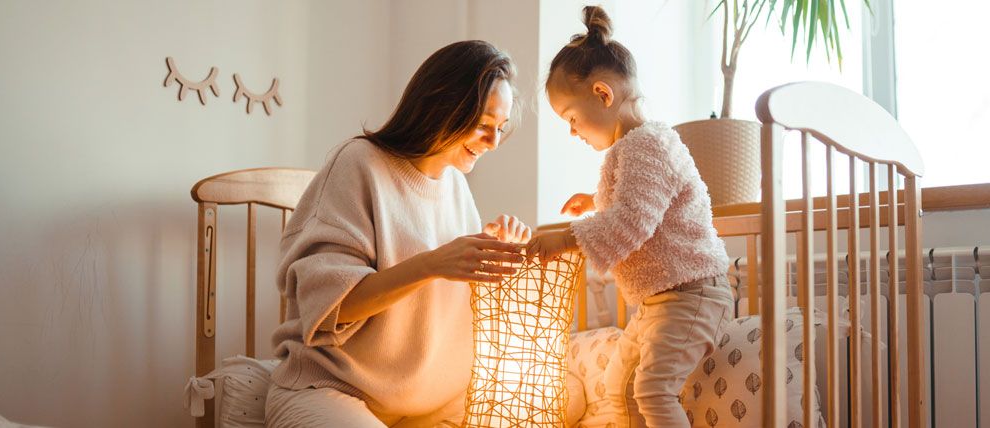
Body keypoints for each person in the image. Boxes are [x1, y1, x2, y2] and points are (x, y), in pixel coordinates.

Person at [266, 40, 531, 428]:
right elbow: (329, 307)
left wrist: (493, 247)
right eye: (483, 125)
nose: (493, 143)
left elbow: (453, 306)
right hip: (334, 389)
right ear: (444, 107)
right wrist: (432, 263)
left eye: (500, 129)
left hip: (431, 405)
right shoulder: (360, 164)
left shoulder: (456, 185)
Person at [524, 7, 734, 428]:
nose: (572, 131)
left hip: (691, 293)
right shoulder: (634, 148)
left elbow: (634, 222)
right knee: (620, 385)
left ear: (603, 95)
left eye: (571, 118)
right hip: (662, 298)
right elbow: (640, 205)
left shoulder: (647, 144)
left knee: (653, 390)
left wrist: (567, 238)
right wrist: (597, 200)